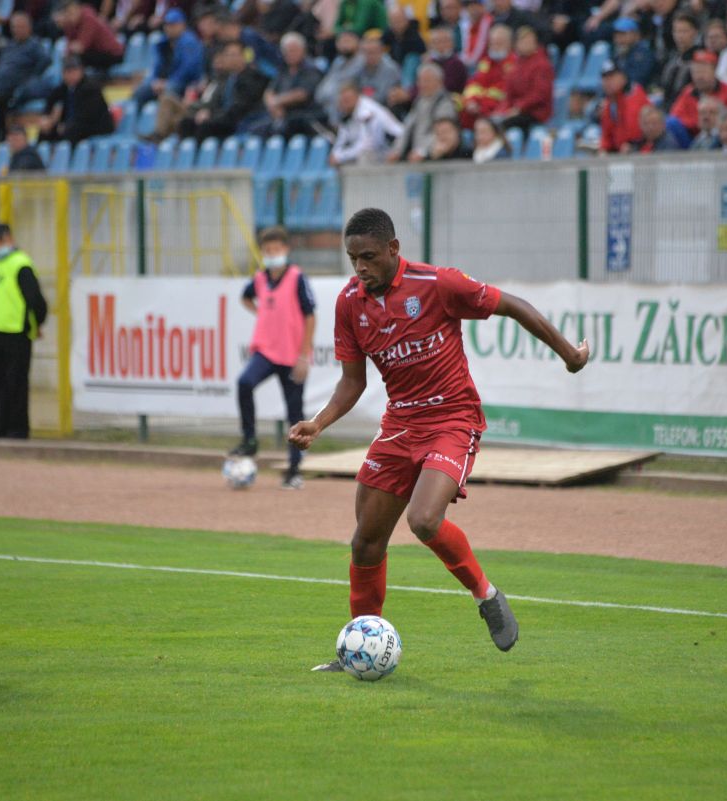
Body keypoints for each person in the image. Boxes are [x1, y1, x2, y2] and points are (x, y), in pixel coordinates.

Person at [289, 208, 590, 670]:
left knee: (424, 520)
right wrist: (319, 422)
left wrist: (569, 354)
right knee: (365, 543)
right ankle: (359, 649)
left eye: (368, 257)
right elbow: (353, 381)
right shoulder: (350, 302)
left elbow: (510, 305)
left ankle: (485, 594)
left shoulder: (437, 285)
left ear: (394, 249)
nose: (360, 268)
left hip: (453, 420)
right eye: (352, 259)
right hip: (399, 426)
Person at [231, 227, 316, 489]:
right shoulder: (259, 279)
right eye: (267, 251)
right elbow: (245, 298)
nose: (272, 255)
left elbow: (311, 316)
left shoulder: (297, 278)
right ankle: (250, 440)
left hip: (292, 356)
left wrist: (304, 355)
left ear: (286, 250)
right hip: (266, 351)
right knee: (244, 383)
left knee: (295, 414)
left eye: (276, 250)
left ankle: (294, 469)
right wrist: (262, 315)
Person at [0, 223, 48, 439]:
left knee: (16, 383)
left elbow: (36, 300)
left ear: (8, 238)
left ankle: (17, 430)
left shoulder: (21, 264)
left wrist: (36, 324)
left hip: (17, 333)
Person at [131, 9, 204, 107]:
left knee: (169, 91)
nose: (169, 28)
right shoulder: (162, 43)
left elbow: (188, 70)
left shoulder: (190, 42)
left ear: (182, 25)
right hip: (163, 82)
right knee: (140, 91)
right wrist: (154, 81)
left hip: (184, 84)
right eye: (167, 25)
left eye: (173, 25)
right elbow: (156, 67)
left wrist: (168, 82)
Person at [389, 63, 457, 161]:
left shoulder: (445, 103)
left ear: (439, 82)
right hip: (414, 156)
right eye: (420, 80)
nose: (422, 84)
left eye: (427, 81)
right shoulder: (419, 101)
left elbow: (442, 135)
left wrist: (422, 152)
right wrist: (397, 150)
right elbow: (407, 127)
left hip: (434, 158)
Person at [39, 55, 115, 143]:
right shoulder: (61, 90)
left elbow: (87, 116)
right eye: (67, 72)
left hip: (93, 127)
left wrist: (67, 125)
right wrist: (47, 119)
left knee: (70, 132)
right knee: (45, 132)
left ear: (81, 71)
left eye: (74, 71)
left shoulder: (91, 89)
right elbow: (50, 105)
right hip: (70, 125)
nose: (70, 75)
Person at [330, 81, 404, 165]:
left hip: (397, 146)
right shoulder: (348, 114)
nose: (345, 103)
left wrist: (341, 156)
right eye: (343, 100)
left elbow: (366, 145)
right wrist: (335, 154)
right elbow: (342, 139)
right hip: (379, 151)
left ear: (357, 96)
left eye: (348, 99)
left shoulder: (367, 111)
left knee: (363, 156)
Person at [668, 48, 727, 137]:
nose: (699, 76)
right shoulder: (688, 92)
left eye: (703, 71)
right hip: (693, 137)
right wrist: (697, 123)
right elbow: (675, 116)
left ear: (714, 71)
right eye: (696, 72)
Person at [497, 25, 552, 133]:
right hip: (518, 111)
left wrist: (519, 107)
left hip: (535, 113)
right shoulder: (516, 65)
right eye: (523, 41)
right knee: (490, 122)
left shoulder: (542, 64)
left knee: (503, 125)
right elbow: (509, 93)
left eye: (530, 41)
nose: (527, 44)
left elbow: (540, 94)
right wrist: (503, 110)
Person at [598, 58, 650, 154]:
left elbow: (635, 135)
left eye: (611, 76)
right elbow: (606, 137)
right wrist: (604, 150)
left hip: (641, 152)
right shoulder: (609, 103)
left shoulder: (634, 95)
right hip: (621, 152)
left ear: (623, 77)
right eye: (604, 78)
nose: (607, 81)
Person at [54, 0, 124, 70]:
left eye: (73, 12)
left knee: (77, 59)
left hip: (112, 54)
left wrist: (69, 49)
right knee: (69, 58)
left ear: (79, 9)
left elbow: (81, 47)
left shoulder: (88, 18)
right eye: (68, 13)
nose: (72, 15)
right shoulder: (69, 23)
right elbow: (69, 44)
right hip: (95, 52)